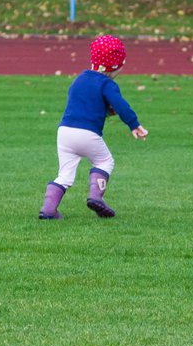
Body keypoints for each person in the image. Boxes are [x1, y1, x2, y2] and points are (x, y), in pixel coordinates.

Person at [38, 34, 148, 220]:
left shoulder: (79, 79)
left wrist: (103, 110)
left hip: (64, 132)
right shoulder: (107, 84)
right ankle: (96, 197)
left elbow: (84, 103)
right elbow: (120, 105)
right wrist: (134, 124)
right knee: (105, 162)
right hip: (87, 134)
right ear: (115, 66)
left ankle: (48, 209)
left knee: (64, 175)